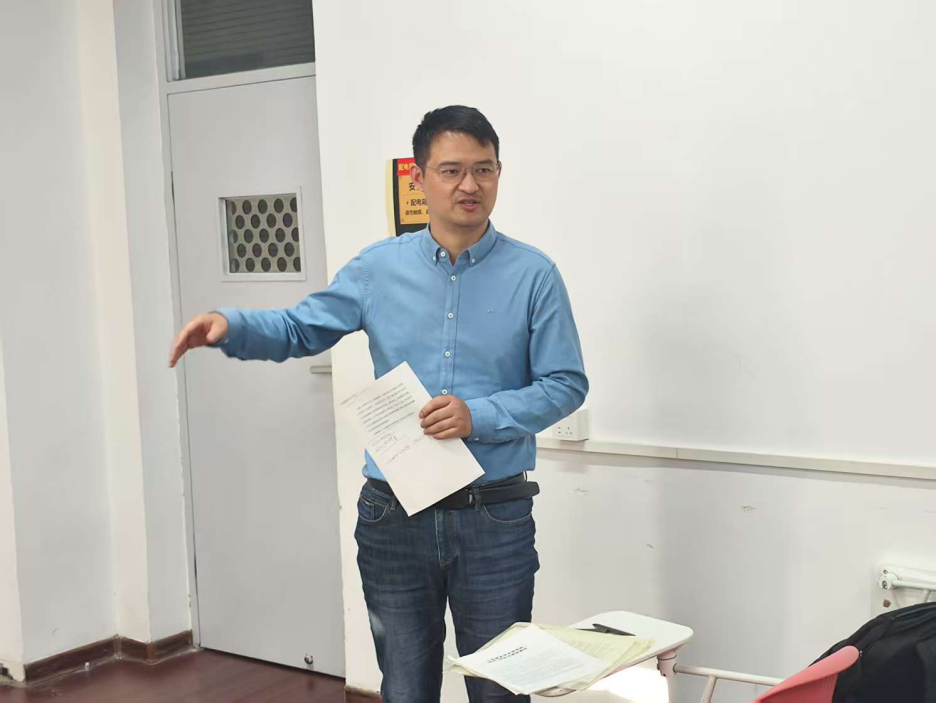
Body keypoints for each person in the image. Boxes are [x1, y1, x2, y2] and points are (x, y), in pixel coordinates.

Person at [169, 105, 588, 703]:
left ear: (499, 173)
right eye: (450, 170)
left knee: (500, 690)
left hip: (494, 518)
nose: (469, 185)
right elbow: (301, 327)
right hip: (393, 517)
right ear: (420, 178)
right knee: (406, 688)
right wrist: (231, 326)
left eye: (483, 169)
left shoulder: (534, 274)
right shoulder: (377, 269)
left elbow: (565, 383)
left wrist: (480, 415)